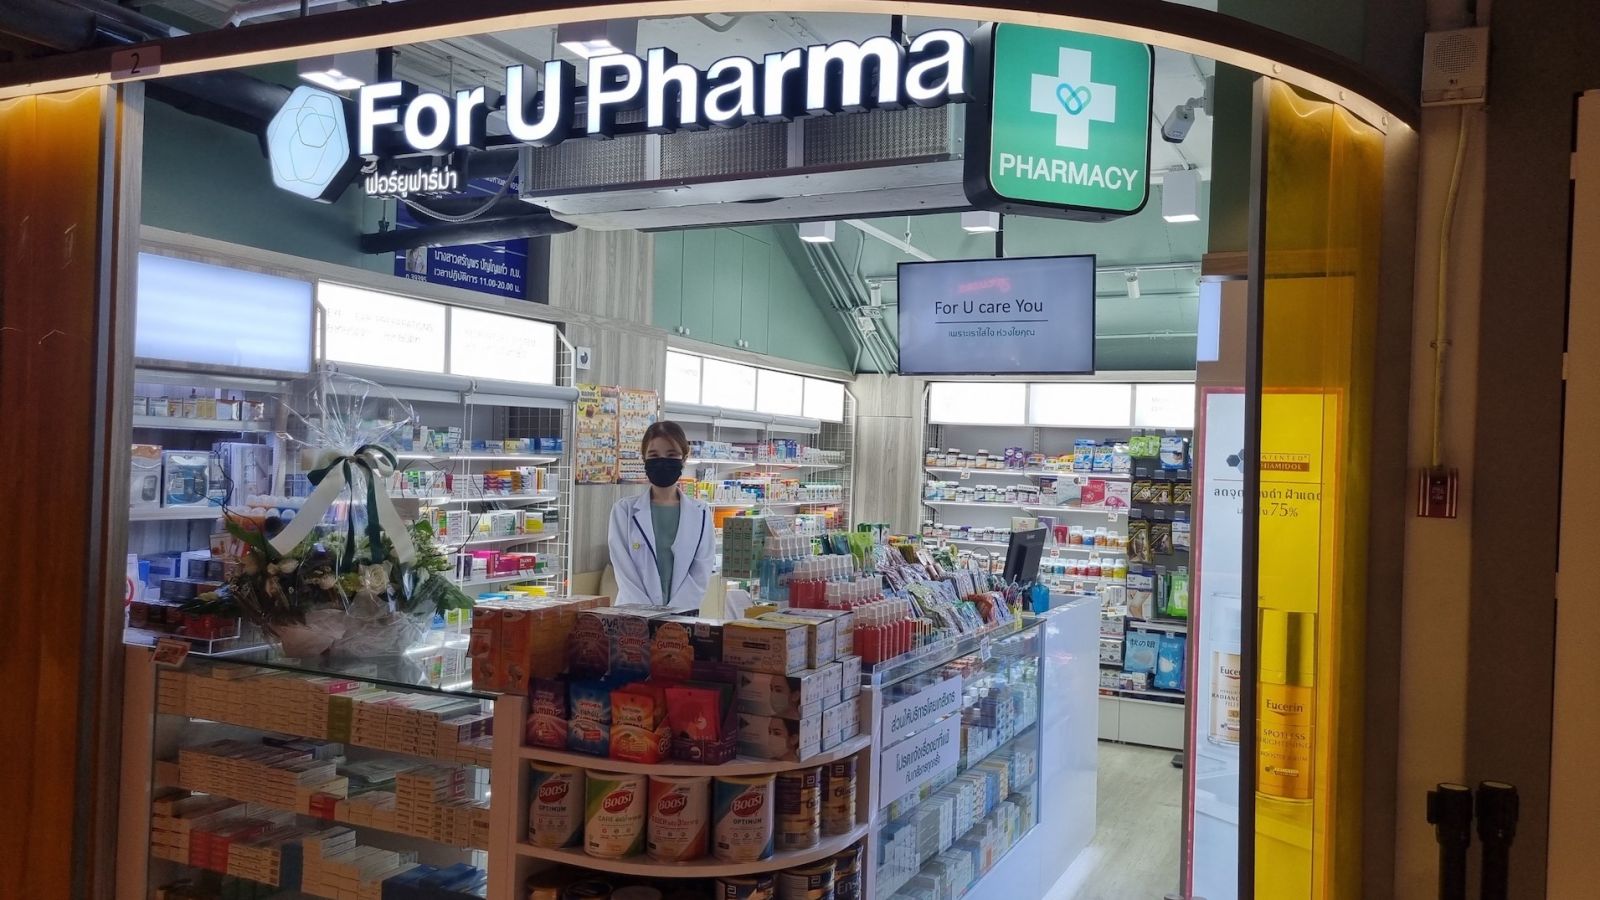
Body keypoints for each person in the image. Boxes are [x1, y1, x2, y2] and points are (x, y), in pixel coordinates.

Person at [607, 420, 714, 607]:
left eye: (671, 455)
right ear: (644, 459)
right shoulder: (624, 511)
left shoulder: (701, 513)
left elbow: (701, 572)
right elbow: (624, 572)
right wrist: (648, 615)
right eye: (654, 455)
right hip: (634, 614)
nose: (662, 461)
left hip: (681, 615)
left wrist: (672, 615)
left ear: (684, 459)